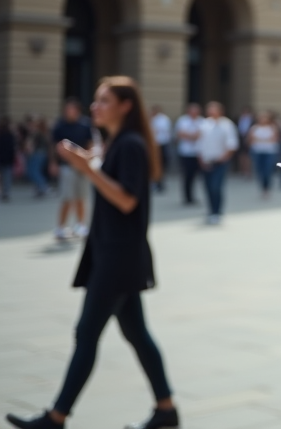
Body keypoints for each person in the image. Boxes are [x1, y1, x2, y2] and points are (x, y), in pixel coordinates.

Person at [5, 76, 179, 429]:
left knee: (87, 334)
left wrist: (87, 168)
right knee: (136, 334)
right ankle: (166, 410)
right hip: (112, 251)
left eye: (103, 100)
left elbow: (127, 199)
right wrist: (91, 163)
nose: (94, 106)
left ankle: (56, 418)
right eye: (95, 100)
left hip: (118, 256)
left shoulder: (129, 144)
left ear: (125, 106)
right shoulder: (118, 142)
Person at [51, 99, 92, 240]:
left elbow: (90, 144)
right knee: (67, 198)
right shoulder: (60, 125)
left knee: (82, 197)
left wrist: (87, 159)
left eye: (72, 109)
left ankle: (81, 225)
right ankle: (61, 227)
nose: (69, 112)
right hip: (66, 166)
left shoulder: (85, 125)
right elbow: (54, 146)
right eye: (67, 109)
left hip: (82, 167)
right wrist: (53, 163)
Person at [196, 102, 238, 225]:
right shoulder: (204, 124)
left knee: (216, 186)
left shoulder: (227, 124)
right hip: (206, 161)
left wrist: (223, 158)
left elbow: (232, 145)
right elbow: (199, 144)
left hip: (220, 162)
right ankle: (210, 211)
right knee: (208, 187)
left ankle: (217, 211)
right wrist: (201, 160)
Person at [173, 104, 202, 206]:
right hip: (185, 152)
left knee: (194, 176)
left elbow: (201, 134)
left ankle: (192, 196)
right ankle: (187, 197)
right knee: (186, 175)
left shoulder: (201, 121)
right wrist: (193, 136)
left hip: (197, 152)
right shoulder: (183, 120)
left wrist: (190, 135)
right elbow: (180, 134)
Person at [247, 112, 279, 198]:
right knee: (259, 171)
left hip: (269, 152)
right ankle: (262, 188)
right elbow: (251, 139)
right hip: (257, 151)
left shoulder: (272, 128)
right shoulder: (254, 128)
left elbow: (274, 139)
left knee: (267, 170)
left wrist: (259, 139)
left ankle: (267, 188)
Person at [25, 117, 52, 198]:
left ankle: (43, 185)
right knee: (36, 171)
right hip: (42, 153)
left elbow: (30, 144)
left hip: (37, 153)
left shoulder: (36, 132)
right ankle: (39, 188)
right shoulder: (45, 132)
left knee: (33, 171)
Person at [149, 106, 172, 194]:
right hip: (155, 144)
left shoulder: (162, 119)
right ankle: (156, 182)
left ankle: (159, 183)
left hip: (161, 144)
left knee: (161, 164)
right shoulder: (152, 119)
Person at [0, 117, 15, 202]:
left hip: (1, 157)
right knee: (7, 176)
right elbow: (12, 148)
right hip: (8, 158)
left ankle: (4, 191)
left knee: (2, 176)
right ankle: (6, 192)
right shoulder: (10, 135)